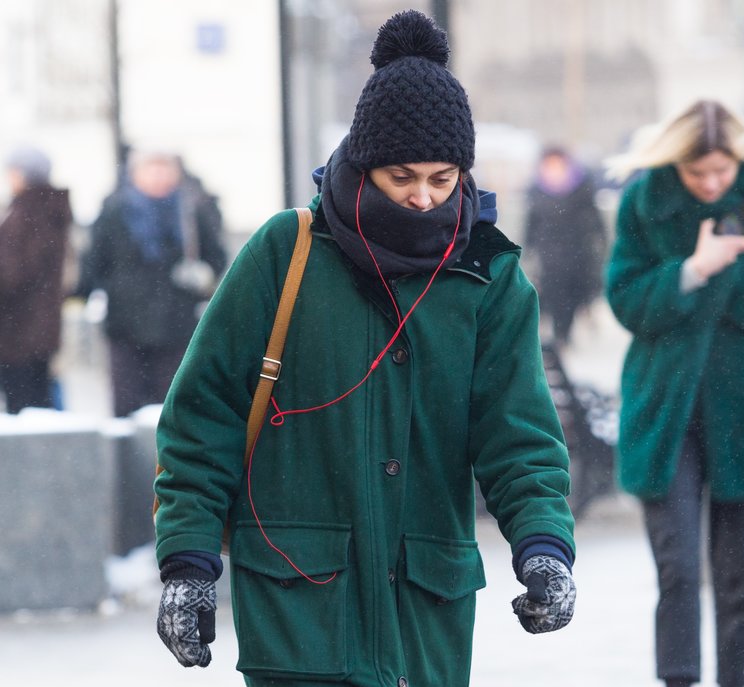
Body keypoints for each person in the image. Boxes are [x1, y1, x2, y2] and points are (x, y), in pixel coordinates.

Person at [152, 10, 576, 687]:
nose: (422, 197)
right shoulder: (285, 253)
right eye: (402, 176)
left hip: (423, 615)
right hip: (298, 612)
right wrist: (187, 564)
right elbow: (204, 416)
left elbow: (518, 435)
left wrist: (544, 547)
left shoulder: (488, 276)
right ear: (364, 163)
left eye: (442, 178)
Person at [604, 100, 744, 687]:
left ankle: (738, 679)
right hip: (666, 410)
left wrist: (728, 270)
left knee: (741, 576)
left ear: (738, 159)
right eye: (696, 172)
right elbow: (625, 299)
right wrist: (693, 269)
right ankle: (678, 678)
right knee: (677, 567)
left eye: (721, 171)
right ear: (675, 162)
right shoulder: (645, 202)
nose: (709, 183)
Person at [78, 149, 227, 416]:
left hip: (177, 321)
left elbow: (215, 256)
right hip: (126, 322)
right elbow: (95, 260)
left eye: (164, 168)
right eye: (150, 169)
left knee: (172, 400)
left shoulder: (193, 209)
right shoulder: (116, 211)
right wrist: (84, 295)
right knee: (127, 400)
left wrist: (201, 275)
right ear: (134, 174)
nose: (158, 176)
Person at [0, 146, 73, 413]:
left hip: (20, 328)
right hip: (36, 326)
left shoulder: (27, 213)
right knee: (37, 400)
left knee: (25, 407)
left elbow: (13, 273)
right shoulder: (46, 209)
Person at [524, 145, 608, 347]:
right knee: (554, 292)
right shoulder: (537, 189)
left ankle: (566, 330)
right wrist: (528, 247)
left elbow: (594, 215)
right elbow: (532, 221)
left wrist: (600, 238)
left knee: (575, 291)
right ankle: (560, 334)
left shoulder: (581, 185)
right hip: (549, 251)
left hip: (577, 249)